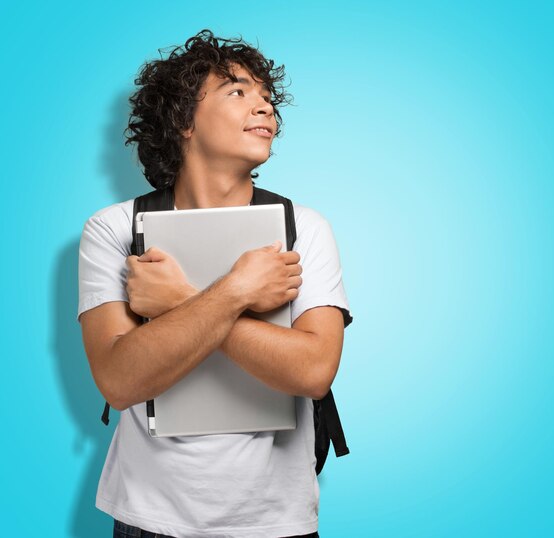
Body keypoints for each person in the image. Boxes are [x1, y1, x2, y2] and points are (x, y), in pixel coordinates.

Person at [77, 29, 352, 538]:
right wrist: (237, 291)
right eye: (238, 92)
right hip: (149, 517)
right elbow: (118, 382)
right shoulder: (114, 228)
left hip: (277, 522)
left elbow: (315, 371)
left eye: (267, 98)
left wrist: (181, 299)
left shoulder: (304, 227)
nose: (265, 107)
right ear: (183, 120)